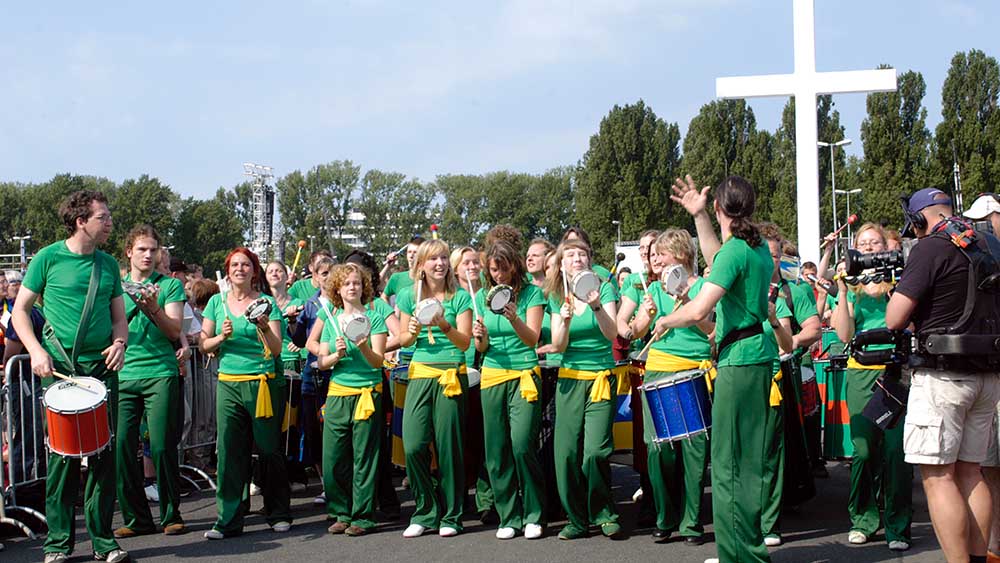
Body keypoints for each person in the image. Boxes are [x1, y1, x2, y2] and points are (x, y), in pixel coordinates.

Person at [659, 175, 778, 563]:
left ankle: (739, 556)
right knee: (744, 462)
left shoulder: (737, 252)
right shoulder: (754, 247)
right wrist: (698, 217)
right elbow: (716, 257)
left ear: (719, 207)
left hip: (740, 360)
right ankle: (745, 551)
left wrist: (666, 321)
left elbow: (697, 309)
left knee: (728, 464)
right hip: (754, 355)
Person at [10, 190, 130, 563]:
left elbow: (118, 317)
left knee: (102, 457)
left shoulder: (107, 264)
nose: (109, 223)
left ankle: (103, 542)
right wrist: (35, 350)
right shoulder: (47, 258)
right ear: (81, 221)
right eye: (103, 217)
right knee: (62, 458)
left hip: (101, 370)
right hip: (59, 370)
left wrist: (121, 342)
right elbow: (20, 311)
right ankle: (58, 543)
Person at [887, 188, 1000, 563]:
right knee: (972, 473)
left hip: (943, 378)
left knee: (939, 478)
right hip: (986, 376)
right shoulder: (988, 243)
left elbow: (894, 318)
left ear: (920, 219)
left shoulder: (931, 247)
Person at [626, 229, 714, 545]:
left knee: (694, 451)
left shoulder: (704, 287)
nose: (656, 260)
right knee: (658, 450)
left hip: (693, 371)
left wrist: (689, 301)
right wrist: (645, 316)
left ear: (680, 253)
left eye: (661, 254)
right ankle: (665, 516)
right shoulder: (654, 289)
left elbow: (712, 330)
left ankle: (691, 522)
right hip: (658, 371)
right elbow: (635, 332)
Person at [831, 223, 913, 551]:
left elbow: (910, 320)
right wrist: (841, 289)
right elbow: (843, 335)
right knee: (864, 450)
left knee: (895, 452)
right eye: (861, 243)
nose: (867, 248)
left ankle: (898, 526)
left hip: (895, 373)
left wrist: (893, 282)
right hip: (861, 374)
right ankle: (863, 518)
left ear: (885, 246)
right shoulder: (852, 287)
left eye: (873, 243)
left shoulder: (900, 279)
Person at [199, 247, 291, 539]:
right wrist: (221, 337)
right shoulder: (216, 302)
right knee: (229, 451)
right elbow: (204, 345)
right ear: (228, 271)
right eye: (235, 265)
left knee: (269, 449)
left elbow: (277, 349)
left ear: (254, 271)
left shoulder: (266, 303)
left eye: (246, 264)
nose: (240, 269)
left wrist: (263, 328)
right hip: (228, 383)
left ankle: (278, 512)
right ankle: (228, 519)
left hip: (262, 383)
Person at [545, 238, 625, 541]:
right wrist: (563, 323)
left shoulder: (603, 288)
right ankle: (576, 520)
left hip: (600, 378)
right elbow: (559, 344)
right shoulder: (557, 296)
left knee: (594, 451)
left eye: (582, 254)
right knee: (565, 454)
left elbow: (612, 333)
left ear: (589, 259)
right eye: (570, 255)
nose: (576, 258)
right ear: (562, 264)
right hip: (569, 379)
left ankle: (604, 513)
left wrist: (595, 306)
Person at [396, 239, 473, 538]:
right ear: (421, 266)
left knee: (448, 447)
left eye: (443, 258)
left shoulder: (460, 297)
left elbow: (465, 342)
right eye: (432, 259)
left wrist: (443, 325)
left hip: (451, 374)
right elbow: (403, 340)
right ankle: (426, 510)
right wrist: (411, 332)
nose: (439, 264)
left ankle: (452, 515)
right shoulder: (407, 295)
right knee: (413, 445)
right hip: (419, 374)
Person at [114, 226, 187, 540]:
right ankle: (136, 518)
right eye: (142, 249)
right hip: (122, 374)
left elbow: (173, 332)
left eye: (153, 249)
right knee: (121, 448)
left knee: (160, 445)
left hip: (160, 371)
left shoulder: (169, 285)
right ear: (129, 251)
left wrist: (152, 307)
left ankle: (172, 514)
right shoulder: (113, 286)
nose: (148, 255)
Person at [472, 241, 546, 540]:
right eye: (493, 269)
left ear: (514, 265)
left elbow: (532, 340)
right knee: (497, 449)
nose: (499, 274)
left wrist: (513, 317)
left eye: (504, 268)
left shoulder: (531, 294)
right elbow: (481, 348)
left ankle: (533, 513)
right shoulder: (480, 297)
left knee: (522, 444)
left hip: (524, 373)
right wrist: (479, 337)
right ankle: (508, 515)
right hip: (492, 375)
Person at [315, 263, 388, 536]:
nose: (352, 287)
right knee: (333, 459)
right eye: (346, 284)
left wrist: (363, 346)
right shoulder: (331, 319)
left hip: (367, 393)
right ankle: (341, 512)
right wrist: (337, 356)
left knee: (364, 458)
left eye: (357, 282)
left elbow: (378, 361)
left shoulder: (375, 318)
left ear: (364, 286)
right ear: (338, 289)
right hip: (337, 394)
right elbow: (321, 361)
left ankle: (363, 516)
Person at [964, 194, 1000, 562]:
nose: (982, 226)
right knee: (986, 468)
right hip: (989, 371)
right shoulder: (981, 256)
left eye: (987, 218)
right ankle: (992, 549)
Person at [450, 245, 494, 522]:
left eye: (476, 261)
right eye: (465, 262)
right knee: (457, 440)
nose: (472, 266)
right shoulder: (452, 298)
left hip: (485, 370)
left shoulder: (490, 296)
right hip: (456, 372)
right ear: (455, 270)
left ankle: (486, 499)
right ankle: (457, 498)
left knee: (484, 439)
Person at [264, 261, 307, 490]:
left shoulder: (297, 303)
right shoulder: (260, 301)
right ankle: (263, 476)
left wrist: (298, 343)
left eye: (279, 270)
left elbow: (301, 335)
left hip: (291, 366)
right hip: (267, 365)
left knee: (291, 422)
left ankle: (293, 472)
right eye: (270, 271)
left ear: (286, 275)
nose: (275, 274)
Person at [381, 236, 425, 304]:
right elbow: (383, 297)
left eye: (415, 252)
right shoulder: (397, 278)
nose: (411, 256)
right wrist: (390, 313)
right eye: (409, 252)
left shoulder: (429, 278)